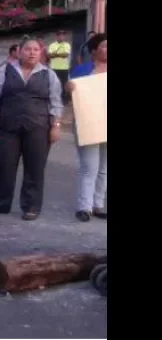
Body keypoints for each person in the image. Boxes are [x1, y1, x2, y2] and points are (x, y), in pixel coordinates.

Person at [0, 38, 63, 220]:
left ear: (41, 52)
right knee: (5, 166)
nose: (32, 53)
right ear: (20, 51)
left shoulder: (49, 75)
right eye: (28, 49)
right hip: (7, 125)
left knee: (35, 168)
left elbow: (56, 102)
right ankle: (2, 203)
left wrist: (56, 126)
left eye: (36, 49)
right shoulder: (6, 69)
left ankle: (31, 206)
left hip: (38, 127)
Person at [65, 33, 107, 222]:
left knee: (104, 168)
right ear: (94, 50)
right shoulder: (82, 70)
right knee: (89, 166)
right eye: (104, 46)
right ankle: (84, 207)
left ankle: (98, 205)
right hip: (88, 123)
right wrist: (69, 89)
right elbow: (70, 96)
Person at [47, 30, 72, 101]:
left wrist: (55, 54)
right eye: (59, 35)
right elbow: (49, 56)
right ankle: (55, 99)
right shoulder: (52, 45)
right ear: (56, 36)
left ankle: (64, 99)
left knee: (64, 84)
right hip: (54, 68)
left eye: (63, 35)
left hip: (64, 68)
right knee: (54, 84)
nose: (61, 36)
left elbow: (66, 55)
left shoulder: (67, 45)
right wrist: (60, 54)